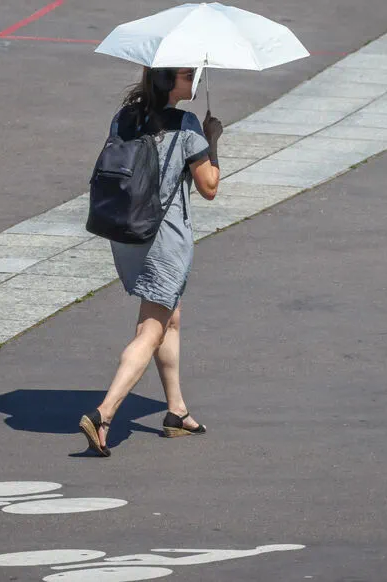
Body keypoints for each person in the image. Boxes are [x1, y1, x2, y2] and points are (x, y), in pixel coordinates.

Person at [79, 67, 223, 457]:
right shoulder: (187, 124)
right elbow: (209, 186)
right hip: (163, 238)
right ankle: (104, 414)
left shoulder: (126, 114)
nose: (193, 80)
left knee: (169, 316)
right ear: (167, 80)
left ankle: (176, 411)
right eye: (186, 74)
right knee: (152, 329)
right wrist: (211, 141)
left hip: (127, 232)